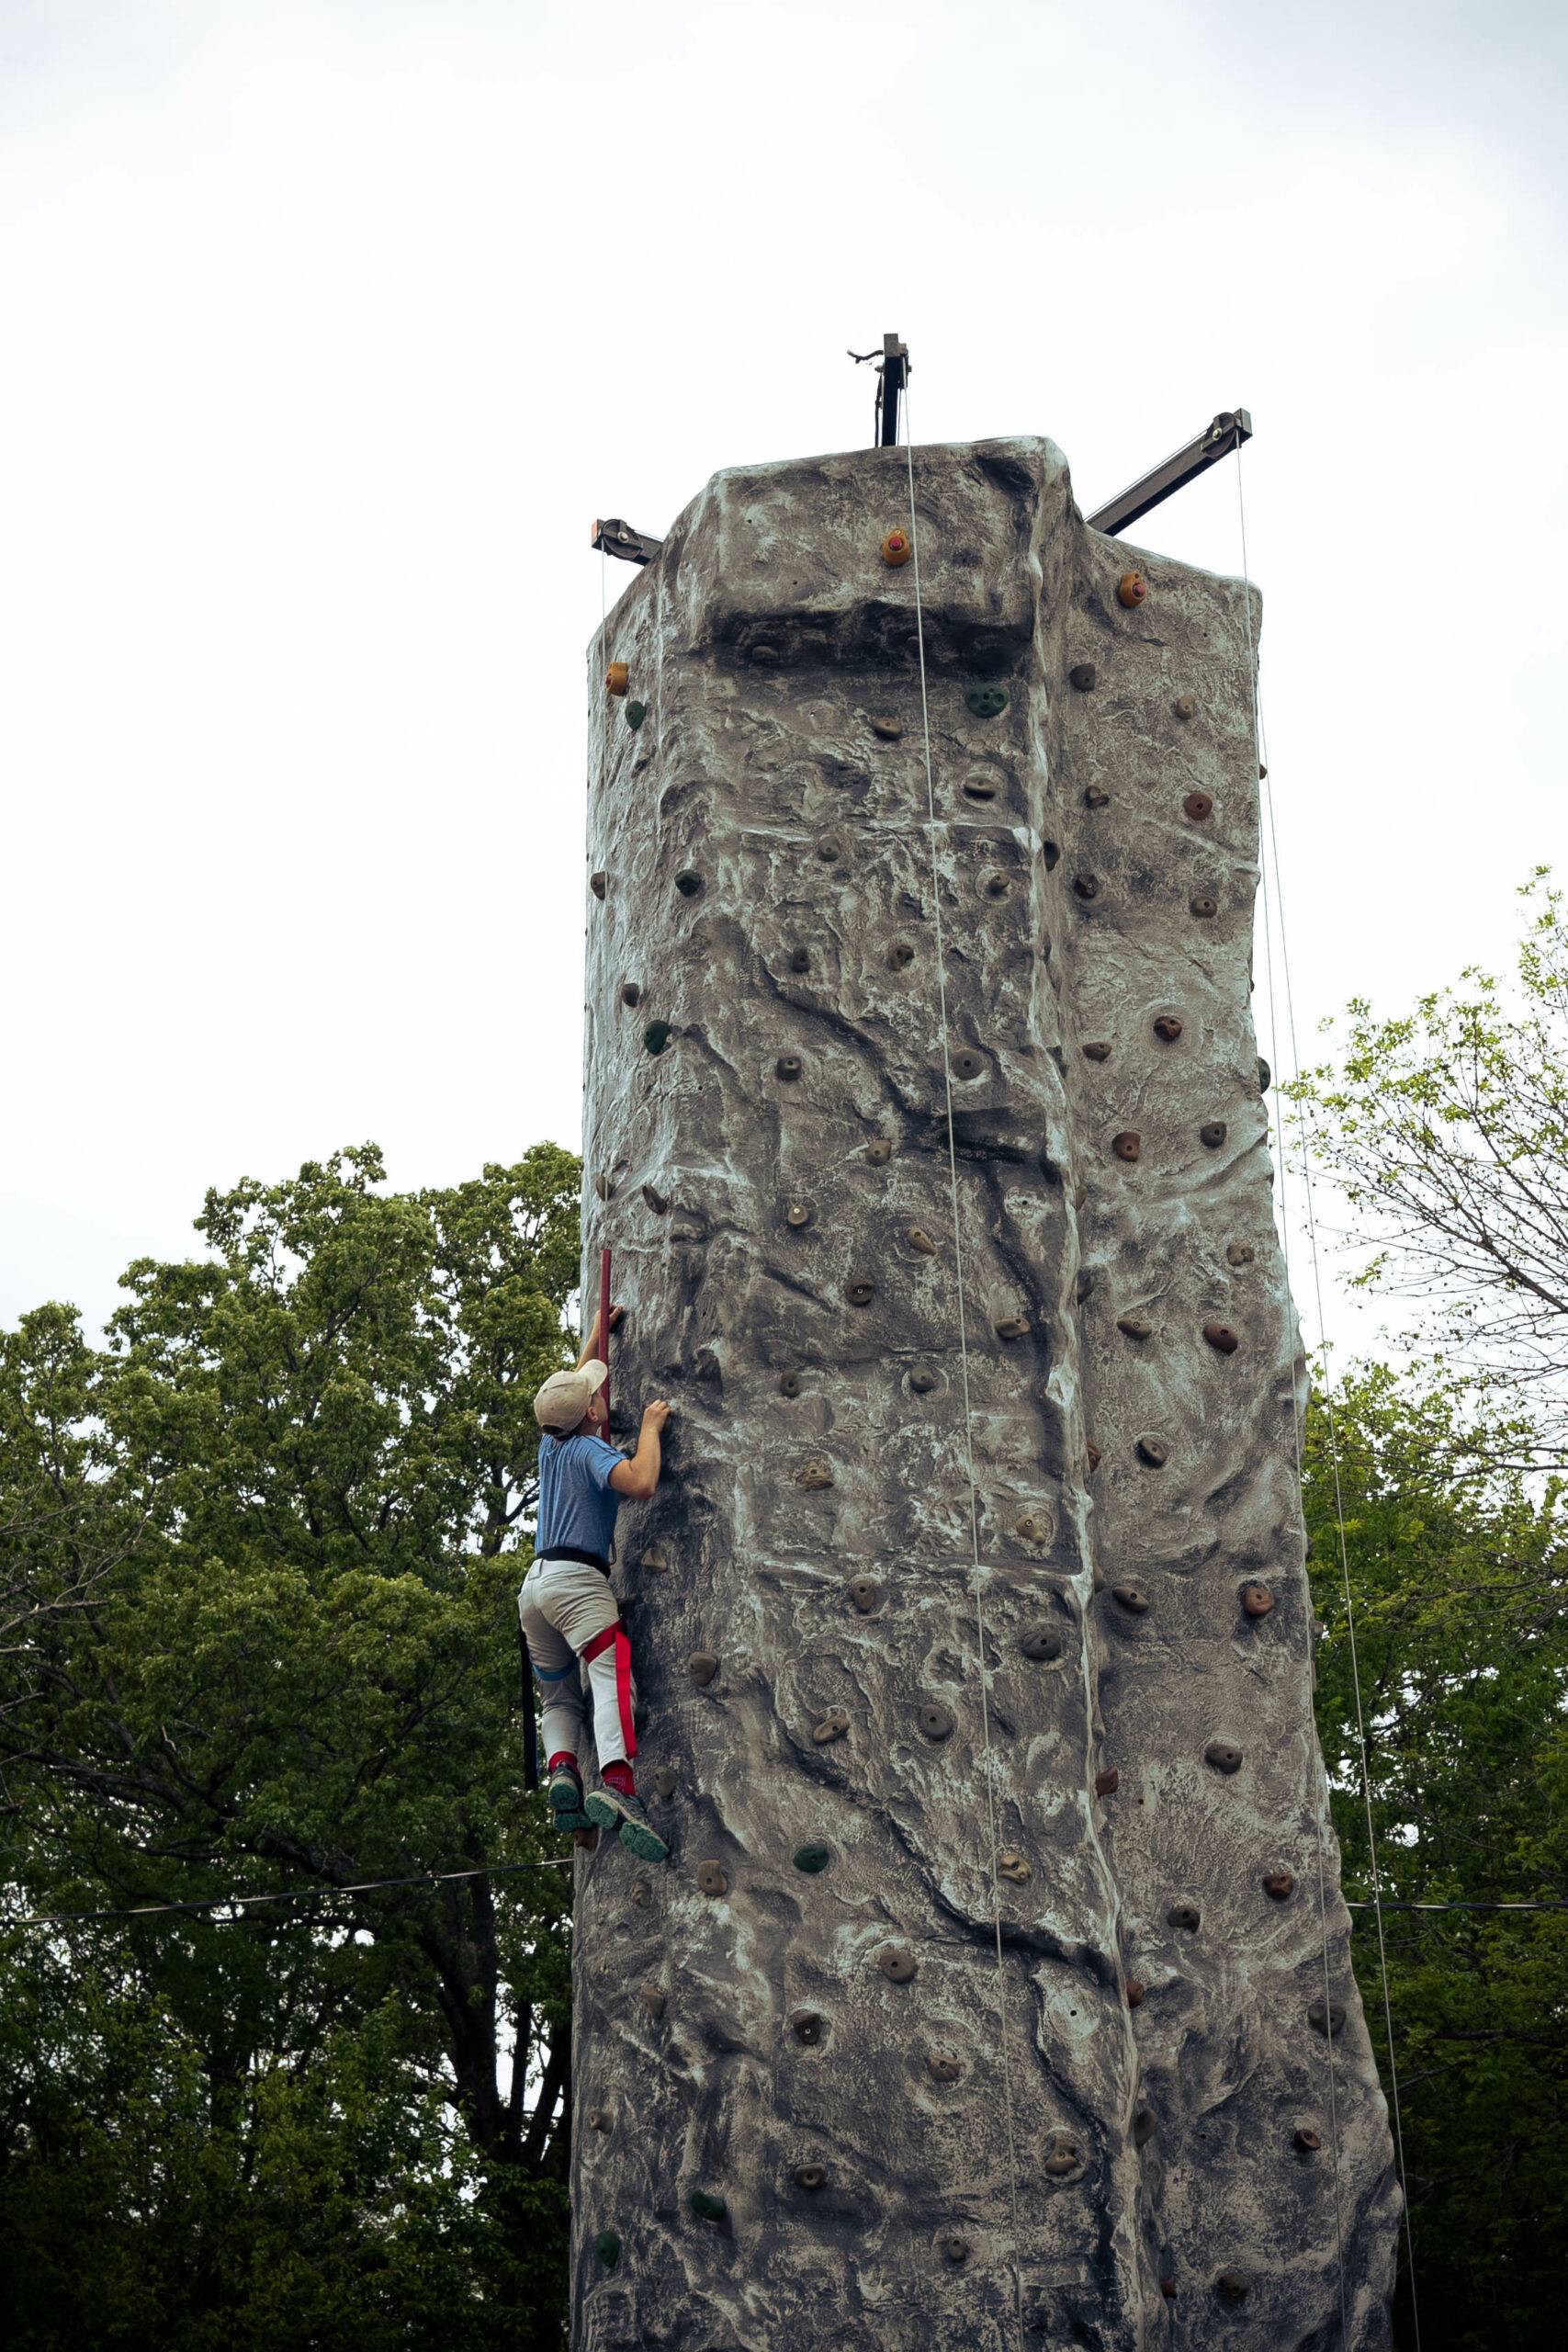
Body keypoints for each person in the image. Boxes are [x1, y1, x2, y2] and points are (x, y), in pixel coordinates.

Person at [519, 1305, 671, 1863]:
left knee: (559, 1694)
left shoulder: (552, 1445)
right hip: (579, 1584)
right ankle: (618, 1784)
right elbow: (642, 1482)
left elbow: (572, 1390)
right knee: (610, 1677)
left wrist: (597, 1334)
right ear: (591, 1411)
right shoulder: (589, 1449)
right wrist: (650, 1430)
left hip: (534, 1588)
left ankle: (563, 1768)